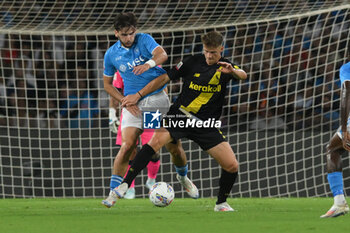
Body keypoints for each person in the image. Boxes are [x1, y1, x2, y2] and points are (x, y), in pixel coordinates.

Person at [108, 31, 247, 211]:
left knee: (232, 165)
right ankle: (125, 184)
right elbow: (166, 77)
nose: (209, 56)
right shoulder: (192, 62)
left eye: (213, 52)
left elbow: (242, 74)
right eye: (206, 51)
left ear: (221, 49)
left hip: (205, 124)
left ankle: (220, 203)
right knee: (154, 143)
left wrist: (233, 71)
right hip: (180, 115)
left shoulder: (225, 67)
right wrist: (139, 95)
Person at [102, 12, 198, 207]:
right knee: (127, 146)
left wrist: (149, 64)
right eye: (124, 35)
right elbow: (107, 85)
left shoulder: (144, 39)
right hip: (132, 105)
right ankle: (114, 192)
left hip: (155, 101)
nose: (129, 38)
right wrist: (123, 101)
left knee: (172, 147)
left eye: (131, 33)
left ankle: (182, 177)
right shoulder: (111, 54)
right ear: (116, 33)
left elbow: (162, 54)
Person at [109, 71, 161, 199]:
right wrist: (112, 114)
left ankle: (151, 179)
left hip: (151, 111)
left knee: (153, 149)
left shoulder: (154, 65)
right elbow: (115, 91)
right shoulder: (122, 66)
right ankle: (130, 187)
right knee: (129, 149)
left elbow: (162, 88)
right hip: (130, 110)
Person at [320, 60, 350, 218]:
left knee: (333, 149)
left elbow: (346, 94)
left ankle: (339, 203)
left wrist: (344, 129)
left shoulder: (347, 68)